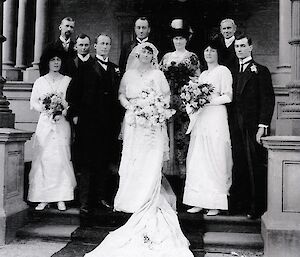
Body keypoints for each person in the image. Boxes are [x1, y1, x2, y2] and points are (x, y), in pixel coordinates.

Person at [84, 42, 193, 257]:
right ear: (137, 54)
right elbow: (122, 95)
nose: (145, 54)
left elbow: (166, 97)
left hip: (152, 123)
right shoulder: (128, 75)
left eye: (149, 52)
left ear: (153, 56)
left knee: (149, 159)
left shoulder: (158, 75)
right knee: (133, 157)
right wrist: (131, 107)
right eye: (142, 51)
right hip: (134, 121)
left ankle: (148, 193)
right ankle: (130, 197)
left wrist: (154, 107)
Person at [66, 33, 122, 213]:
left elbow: (118, 97)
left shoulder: (115, 69)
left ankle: (101, 198)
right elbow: (72, 93)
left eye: (108, 44)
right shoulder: (85, 67)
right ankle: (84, 202)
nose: (105, 46)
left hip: (108, 125)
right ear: (95, 46)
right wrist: (75, 115)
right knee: (87, 163)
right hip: (89, 124)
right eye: (102, 43)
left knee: (103, 162)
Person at [183, 39, 233, 216]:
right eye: (206, 50)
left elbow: (228, 96)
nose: (209, 53)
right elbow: (195, 97)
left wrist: (207, 101)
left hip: (216, 117)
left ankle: (214, 202)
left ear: (218, 53)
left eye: (212, 50)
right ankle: (198, 200)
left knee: (215, 156)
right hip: (202, 119)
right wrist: (193, 104)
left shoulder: (223, 71)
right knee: (199, 157)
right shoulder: (203, 75)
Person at [229, 33, 275, 219]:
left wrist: (262, 126)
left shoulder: (261, 70)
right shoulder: (232, 70)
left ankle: (257, 207)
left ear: (251, 47)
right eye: (237, 46)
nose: (239, 49)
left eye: (242, 46)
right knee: (238, 163)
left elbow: (267, 99)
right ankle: (240, 203)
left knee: (254, 165)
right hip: (235, 125)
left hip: (253, 125)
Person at [28, 48, 76, 211]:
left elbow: (71, 103)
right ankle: (43, 197)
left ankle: (61, 197)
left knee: (61, 157)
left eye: (58, 60)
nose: (56, 63)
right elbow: (33, 103)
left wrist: (62, 110)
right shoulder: (40, 81)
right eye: (52, 60)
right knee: (45, 158)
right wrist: (46, 108)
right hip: (45, 124)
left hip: (61, 123)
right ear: (47, 62)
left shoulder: (67, 80)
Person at [160, 18, 200, 176]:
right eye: (176, 39)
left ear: (186, 39)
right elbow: (160, 77)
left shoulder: (192, 57)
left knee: (183, 135)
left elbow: (197, 79)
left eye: (181, 38)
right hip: (169, 100)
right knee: (168, 134)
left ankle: (184, 171)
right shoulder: (166, 57)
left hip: (184, 101)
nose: (178, 41)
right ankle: (170, 171)